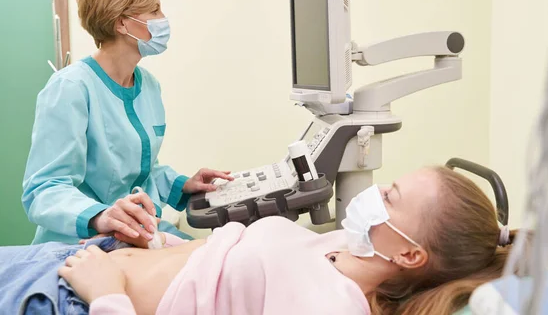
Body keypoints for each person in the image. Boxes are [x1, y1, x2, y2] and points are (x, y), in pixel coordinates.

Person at [3, 165, 521, 315]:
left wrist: (106, 296)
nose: (373, 195)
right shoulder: (345, 243)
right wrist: (158, 243)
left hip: (68, 297)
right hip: (85, 259)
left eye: (390, 195)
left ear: (409, 253)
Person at [22, 0, 233, 245]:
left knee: (222, 252)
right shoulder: (71, 88)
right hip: (78, 242)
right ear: (122, 23)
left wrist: (184, 185)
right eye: (154, 10)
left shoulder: (147, 85)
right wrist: (101, 216)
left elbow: (141, 172)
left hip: (138, 232)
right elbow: (44, 188)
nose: (163, 19)